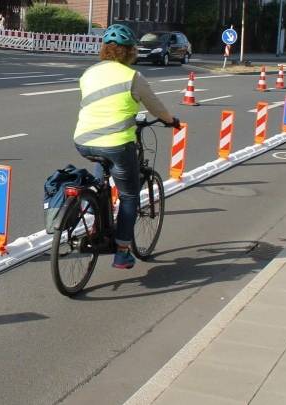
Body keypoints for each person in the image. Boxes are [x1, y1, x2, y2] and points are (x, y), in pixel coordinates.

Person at [72, 23, 181, 270]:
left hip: (84, 141)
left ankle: (97, 220)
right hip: (117, 144)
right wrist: (171, 121)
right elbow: (155, 106)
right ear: (130, 51)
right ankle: (122, 251)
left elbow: (100, 105)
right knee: (129, 195)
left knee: (102, 180)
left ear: (105, 50)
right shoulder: (133, 77)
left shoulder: (88, 73)